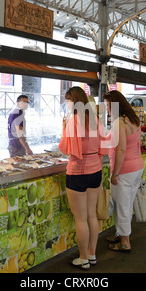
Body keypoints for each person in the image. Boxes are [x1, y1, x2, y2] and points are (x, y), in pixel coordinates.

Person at [58, 86, 106, 270]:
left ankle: (83, 258)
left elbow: (65, 147)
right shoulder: (95, 119)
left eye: (68, 100)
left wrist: (63, 128)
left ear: (74, 101)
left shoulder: (74, 120)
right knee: (91, 215)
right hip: (95, 171)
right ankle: (92, 254)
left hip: (78, 172)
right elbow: (103, 145)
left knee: (81, 219)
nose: (67, 104)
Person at [102, 90, 143, 253]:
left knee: (123, 206)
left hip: (125, 171)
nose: (106, 109)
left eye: (107, 105)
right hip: (136, 167)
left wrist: (115, 173)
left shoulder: (119, 122)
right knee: (125, 204)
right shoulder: (133, 119)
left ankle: (125, 242)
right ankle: (120, 233)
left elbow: (120, 150)